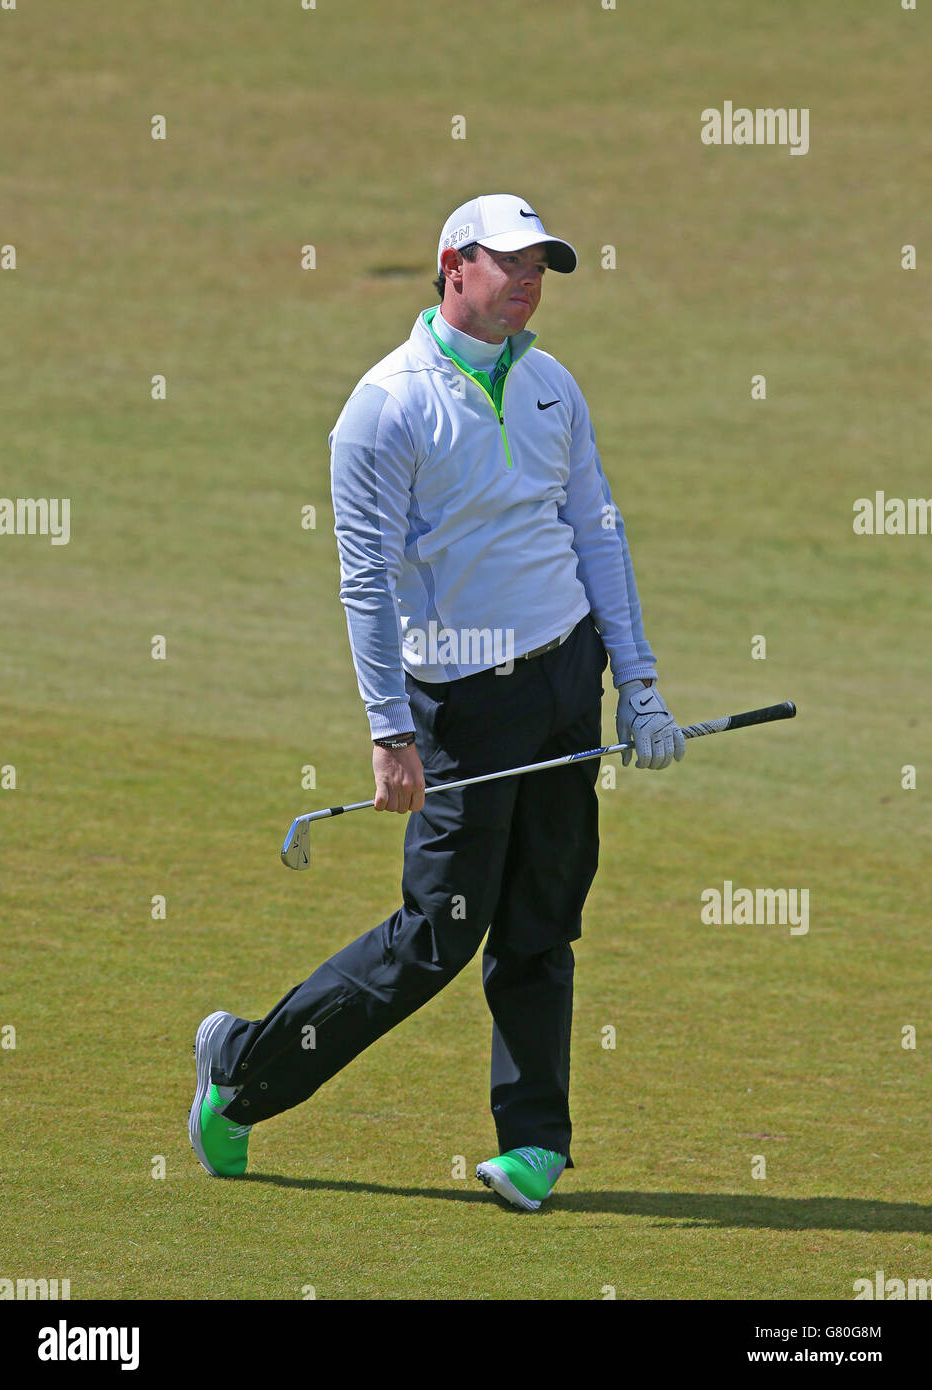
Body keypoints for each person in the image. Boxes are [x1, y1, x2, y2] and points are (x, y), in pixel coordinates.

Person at [189, 193, 685, 1211]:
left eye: (540, 265)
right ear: (454, 265)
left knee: (544, 913)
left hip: (562, 677)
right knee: (436, 934)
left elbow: (597, 533)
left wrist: (635, 685)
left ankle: (534, 1145)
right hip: (456, 701)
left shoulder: (549, 384)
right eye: (510, 263)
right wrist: (388, 730)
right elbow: (363, 581)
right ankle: (240, 1073)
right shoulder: (385, 406)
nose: (528, 281)